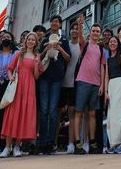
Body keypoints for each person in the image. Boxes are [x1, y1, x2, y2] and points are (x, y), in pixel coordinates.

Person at [0, 32, 43, 157]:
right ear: (26, 41)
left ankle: (17, 146)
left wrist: (36, 64)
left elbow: (36, 76)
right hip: (17, 86)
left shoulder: (37, 56)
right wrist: (10, 76)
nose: (30, 41)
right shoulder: (19, 54)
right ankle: (7, 147)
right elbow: (9, 69)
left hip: (29, 87)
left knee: (23, 114)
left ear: (36, 42)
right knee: (12, 114)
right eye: (29, 39)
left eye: (33, 40)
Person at [37, 14, 71, 155]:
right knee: (44, 110)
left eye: (57, 21)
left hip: (57, 78)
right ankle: (42, 142)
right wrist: (46, 48)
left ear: (60, 24)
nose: (54, 23)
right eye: (52, 21)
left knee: (53, 110)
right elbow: (37, 58)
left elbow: (68, 59)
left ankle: (51, 142)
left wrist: (59, 48)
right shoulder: (45, 39)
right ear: (50, 24)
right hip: (44, 77)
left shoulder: (64, 39)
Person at [73, 22, 106, 154]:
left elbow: (102, 68)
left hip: (96, 84)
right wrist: (80, 25)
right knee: (79, 112)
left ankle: (92, 143)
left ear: (100, 34)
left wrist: (102, 84)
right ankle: (77, 144)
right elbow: (80, 36)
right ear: (90, 32)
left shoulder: (101, 49)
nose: (96, 33)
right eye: (94, 31)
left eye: (98, 31)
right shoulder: (85, 45)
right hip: (82, 81)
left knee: (92, 113)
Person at [59, 18, 82, 154]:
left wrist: (81, 23)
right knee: (58, 112)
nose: (74, 31)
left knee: (72, 114)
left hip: (75, 84)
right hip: (62, 83)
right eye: (72, 29)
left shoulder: (81, 45)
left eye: (76, 29)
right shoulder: (65, 44)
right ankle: (53, 143)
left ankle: (71, 144)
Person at [105, 35, 121, 154]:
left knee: (118, 114)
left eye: (115, 41)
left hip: (120, 82)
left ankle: (120, 143)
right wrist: (106, 92)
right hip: (111, 85)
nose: (113, 43)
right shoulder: (108, 59)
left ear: (118, 44)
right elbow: (107, 76)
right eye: (111, 41)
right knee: (111, 115)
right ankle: (113, 143)